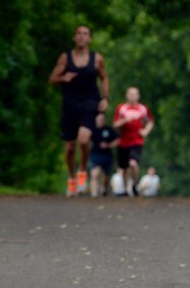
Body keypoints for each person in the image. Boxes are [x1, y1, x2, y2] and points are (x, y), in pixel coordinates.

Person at [48, 25, 109, 197]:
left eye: (85, 34)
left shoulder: (97, 59)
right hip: (70, 105)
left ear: (90, 39)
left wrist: (105, 98)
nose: (82, 37)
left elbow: (104, 78)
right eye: (79, 34)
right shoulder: (65, 58)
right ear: (74, 38)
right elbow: (51, 79)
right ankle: (72, 178)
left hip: (90, 104)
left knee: (84, 140)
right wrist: (62, 78)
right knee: (69, 147)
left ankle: (82, 172)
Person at [113, 87, 154, 197]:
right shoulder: (121, 108)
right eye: (130, 94)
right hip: (123, 141)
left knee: (133, 163)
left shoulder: (143, 109)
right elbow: (115, 125)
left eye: (135, 94)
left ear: (138, 96)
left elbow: (150, 122)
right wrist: (124, 120)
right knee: (124, 167)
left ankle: (134, 185)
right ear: (126, 95)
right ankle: (126, 189)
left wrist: (145, 131)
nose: (132, 96)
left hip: (137, 141)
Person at [88, 112, 119, 197]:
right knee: (94, 174)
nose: (100, 121)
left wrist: (109, 145)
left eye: (101, 119)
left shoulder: (109, 130)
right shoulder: (92, 130)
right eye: (98, 119)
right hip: (95, 155)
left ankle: (105, 188)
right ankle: (94, 194)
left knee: (106, 176)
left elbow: (117, 140)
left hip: (107, 155)